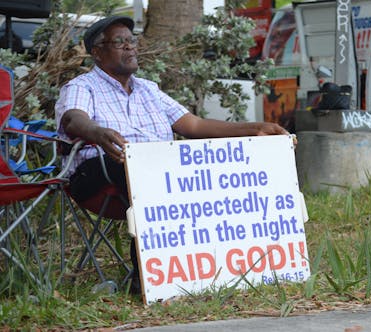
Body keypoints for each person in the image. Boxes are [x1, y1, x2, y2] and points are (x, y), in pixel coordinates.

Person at [55, 16, 289, 294]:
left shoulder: (148, 89)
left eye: (132, 40)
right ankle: (148, 282)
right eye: (120, 42)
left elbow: (194, 125)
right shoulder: (83, 86)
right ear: (97, 52)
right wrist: (97, 132)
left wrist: (254, 128)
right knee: (146, 171)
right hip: (100, 171)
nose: (130, 47)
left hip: (157, 169)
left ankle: (211, 271)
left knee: (204, 170)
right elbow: (73, 120)